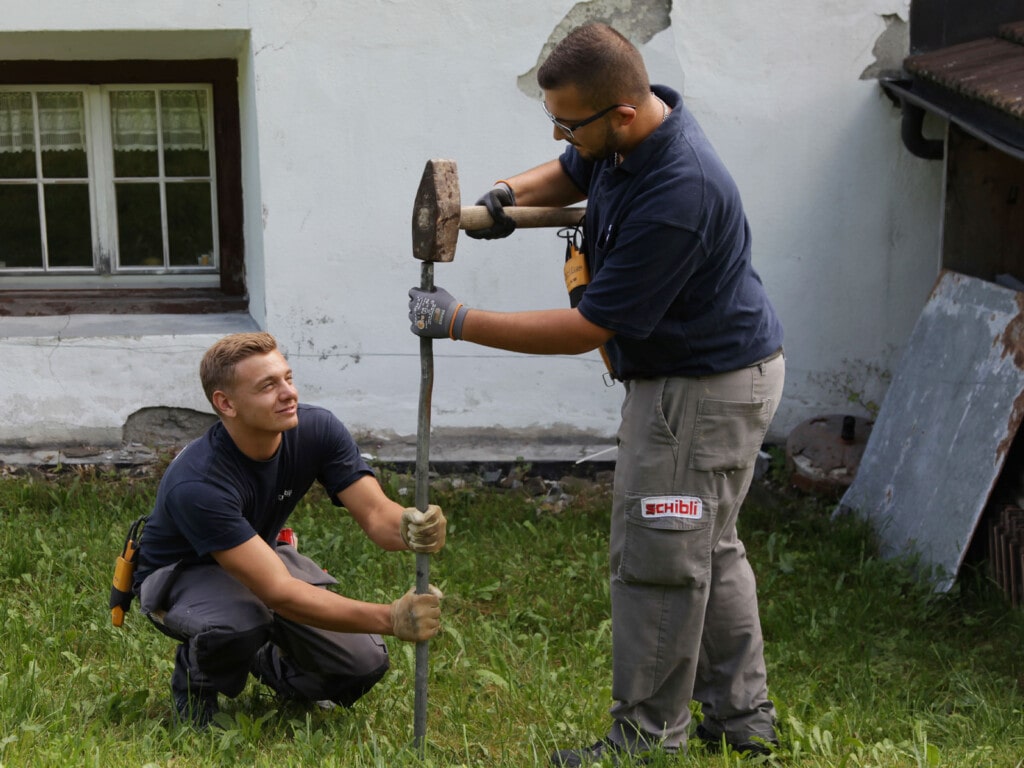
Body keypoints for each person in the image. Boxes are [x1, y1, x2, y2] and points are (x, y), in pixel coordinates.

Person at [408, 22, 784, 765]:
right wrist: (504, 197)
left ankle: (645, 739)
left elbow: (590, 325)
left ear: (620, 113)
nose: (559, 135)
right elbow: (574, 172)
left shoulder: (680, 192)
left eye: (569, 123)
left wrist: (459, 321)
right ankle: (743, 720)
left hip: (697, 396)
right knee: (713, 548)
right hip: (721, 376)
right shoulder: (631, 135)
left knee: (660, 558)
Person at [133, 331, 445, 729]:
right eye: (268, 386)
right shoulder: (199, 482)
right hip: (182, 575)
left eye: (288, 378)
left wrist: (410, 525)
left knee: (362, 662)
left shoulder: (317, 430)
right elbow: (280, 593)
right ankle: (195, 690)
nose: (288, 394)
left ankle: (270, 665)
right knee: (238, 622)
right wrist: (390, 618)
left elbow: (378, 518)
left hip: (257, 555)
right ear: (225, 404)